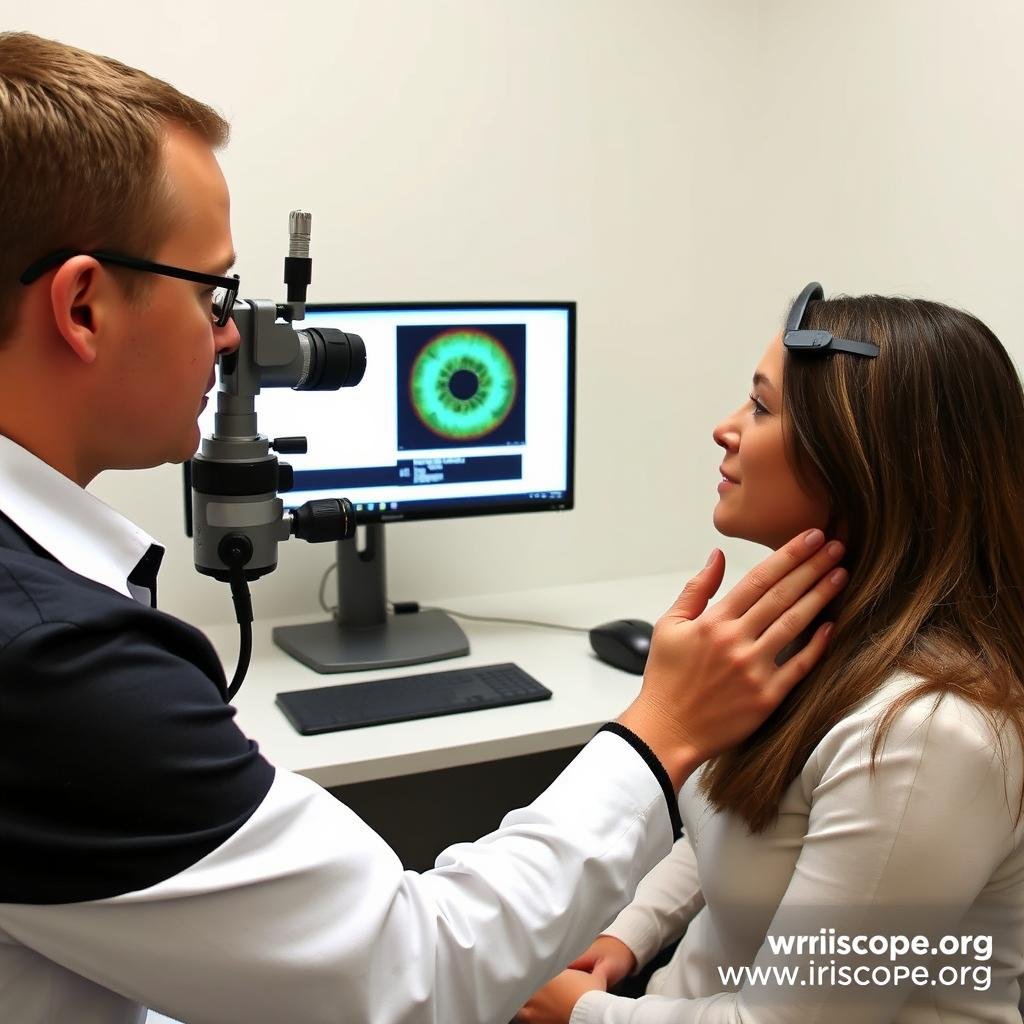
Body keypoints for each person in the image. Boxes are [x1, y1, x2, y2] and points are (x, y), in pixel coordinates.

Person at [0, 33, 848, 1024]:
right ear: (85, 307)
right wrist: (661, 730)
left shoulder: (921, 729)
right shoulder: (50, 658)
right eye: (213, 293)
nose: (233, 335)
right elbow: (413, 968)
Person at [517, 287, 1024, 1023]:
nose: (725, 429)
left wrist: (582, 1015)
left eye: (760, 408)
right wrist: (626, 931)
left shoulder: (925, 738)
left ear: (856, 458)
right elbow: (743, 822)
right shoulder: (818, 637)